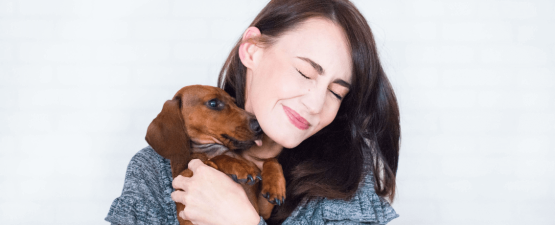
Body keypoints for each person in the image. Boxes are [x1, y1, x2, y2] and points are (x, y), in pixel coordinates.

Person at [105, 0, 400, 224]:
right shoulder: (155, 170)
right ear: (252, 50)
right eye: (304, 72)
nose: (315, 104)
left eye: (336, 93)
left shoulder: (347, 178)